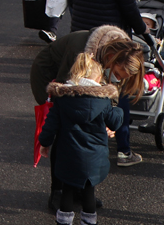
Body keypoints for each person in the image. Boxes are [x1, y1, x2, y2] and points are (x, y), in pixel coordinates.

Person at [31, 25, 147, 175]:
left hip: (71, 78)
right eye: (117, 74)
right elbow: (64, 90)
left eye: (121, 78)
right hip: (49, 75)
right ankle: (58, 189)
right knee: (63, 129)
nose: (117, 79)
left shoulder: (125, 56)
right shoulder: (79, 52)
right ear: (110, 57)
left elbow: (113, 89)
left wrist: (109, 119)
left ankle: (78, 186)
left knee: (81, 129)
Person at [38, 53, 127, 225]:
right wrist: (119, 110)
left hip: (68, 156)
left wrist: (44, 143)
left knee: (67, 191)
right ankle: (88, 221)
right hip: (94, 158)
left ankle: (64, 221)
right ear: (98, 78)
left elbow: (50, 125)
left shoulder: (62, 100)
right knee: (88, 192)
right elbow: (115, 123)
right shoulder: (103, 102)